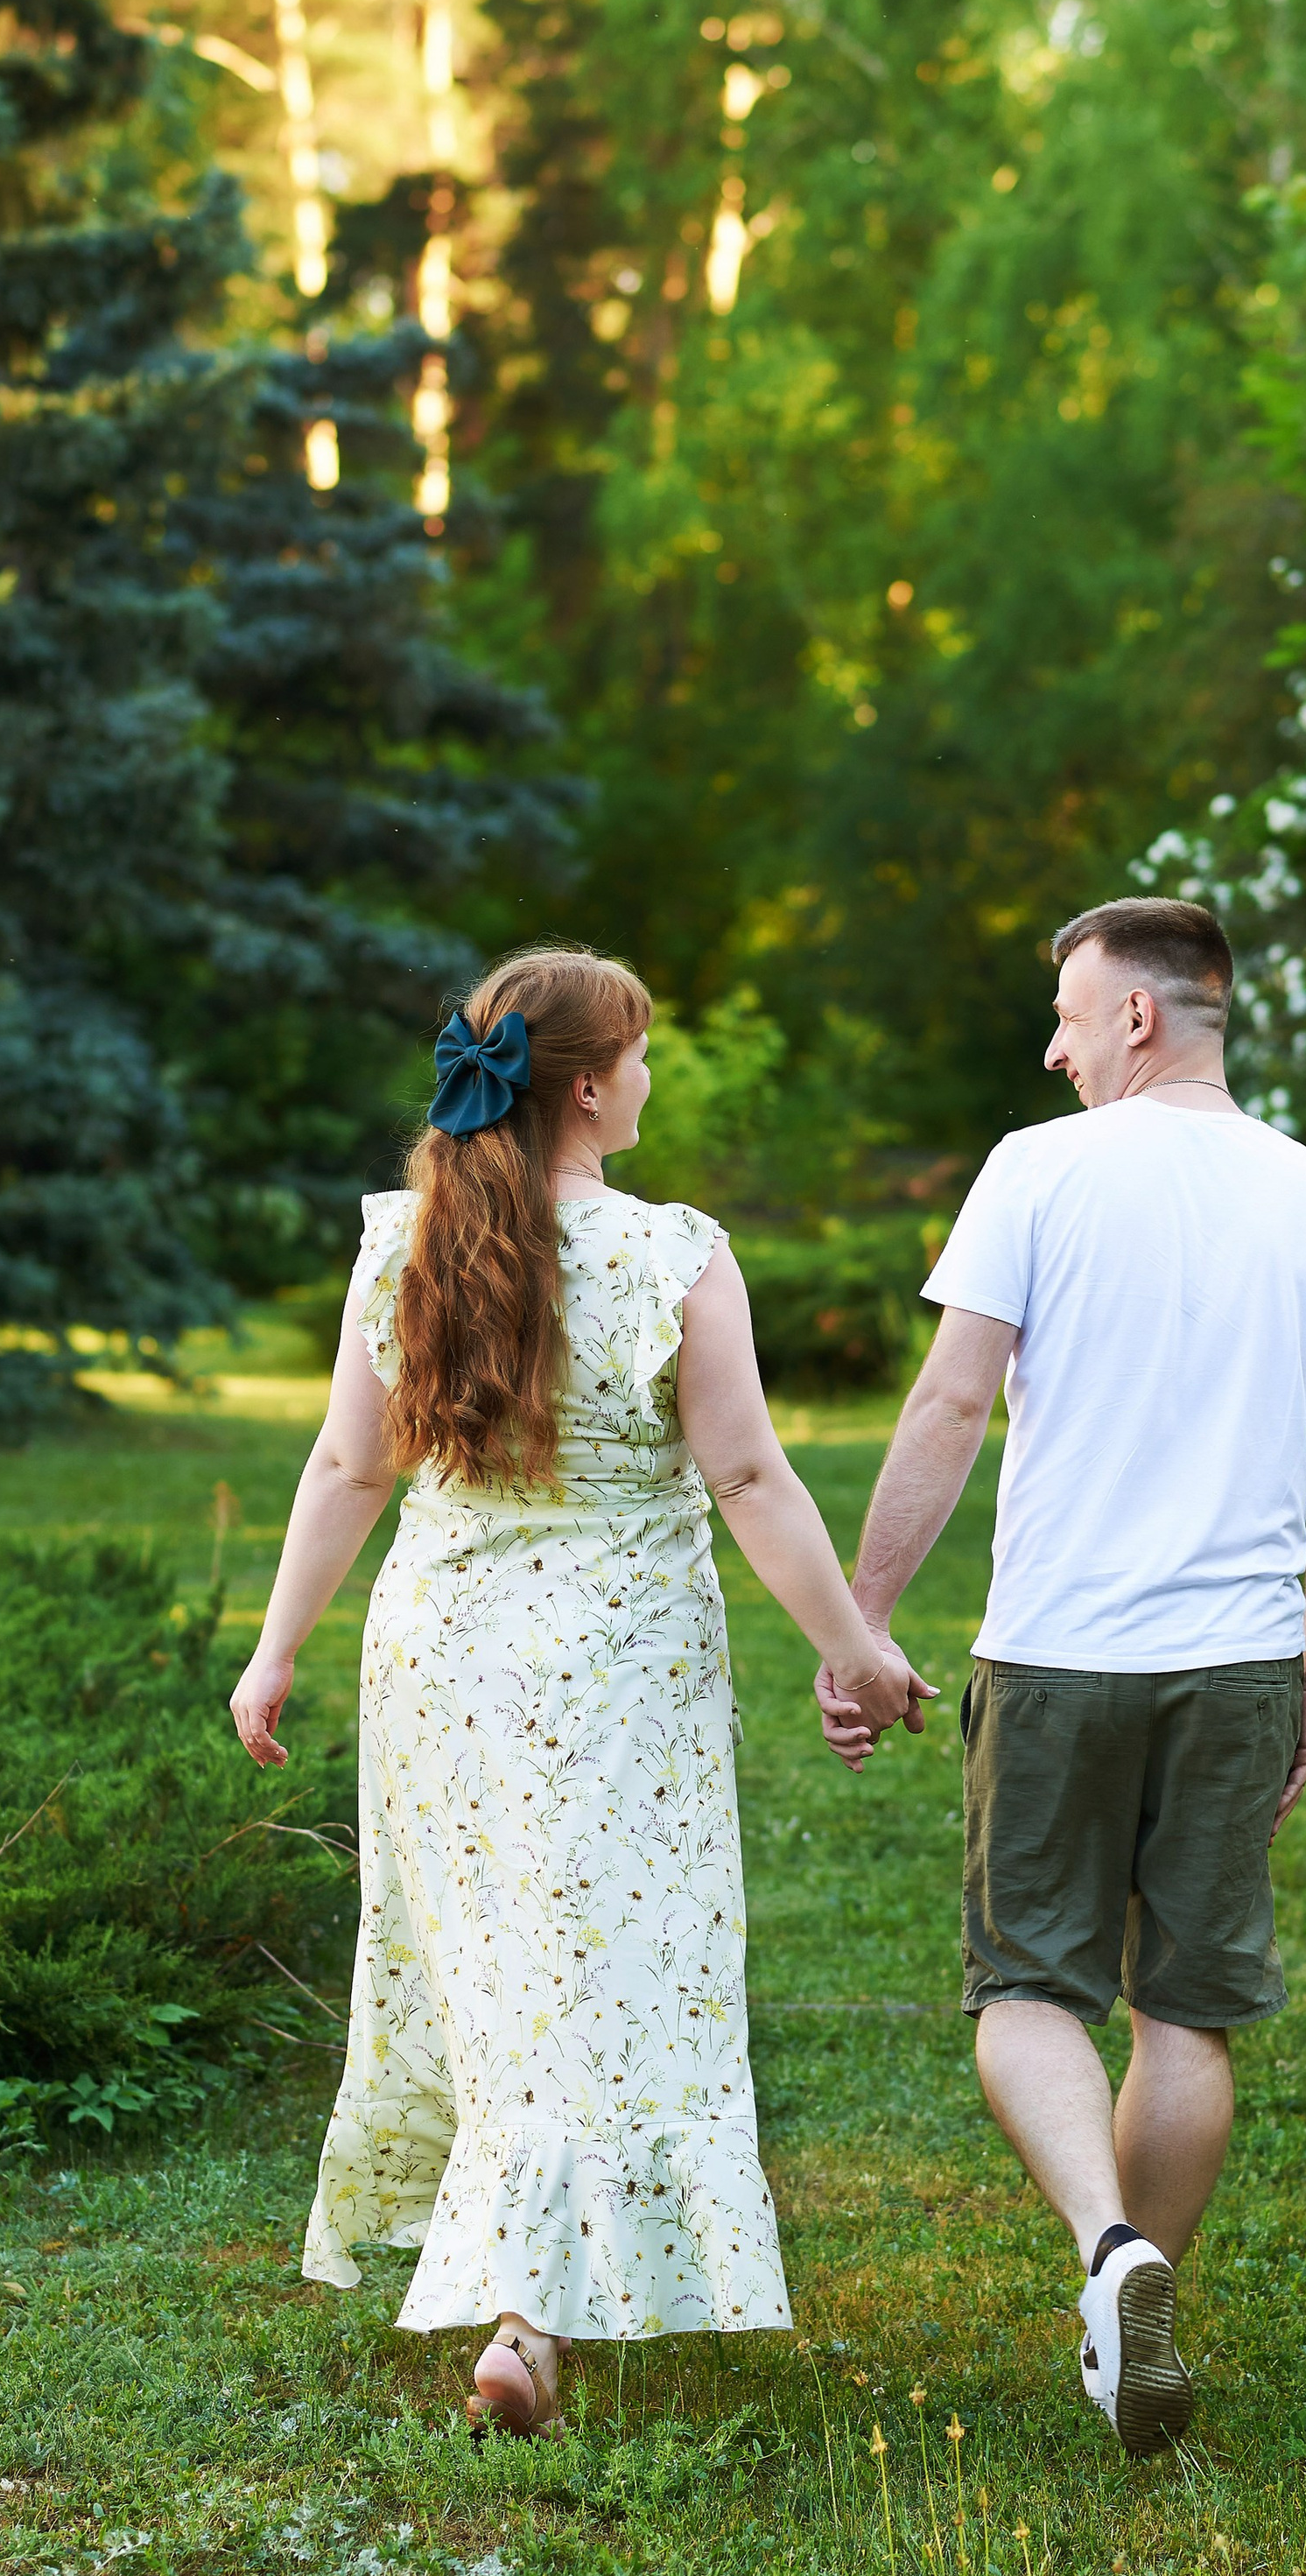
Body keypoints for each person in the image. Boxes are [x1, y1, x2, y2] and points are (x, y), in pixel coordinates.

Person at [229, 947, 921, 2438]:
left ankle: (522, 2300)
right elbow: (744, 1472)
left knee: (491, 1966)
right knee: (602, 1969)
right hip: (614, 1662)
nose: (652, 1077)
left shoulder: (401, 1243)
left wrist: (275, 1647)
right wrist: (851, 1643)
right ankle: (537, 2316)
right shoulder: (672, 1254)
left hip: (444, 1648)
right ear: (593, 1089)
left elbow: (351, 1467)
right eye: (645, 1056)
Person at [818, 896, 1306, 2457]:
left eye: (1071, 1015)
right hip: (1236, 1666)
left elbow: (950, 1408)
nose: (1054, 1046)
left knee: (1024, 1984)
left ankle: (1104, 2250)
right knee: (1184, 2013)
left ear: (1141, 1017)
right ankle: (1137, 2303)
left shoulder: (1037, 1170)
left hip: (1061, 1650)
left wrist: (865, 1622)